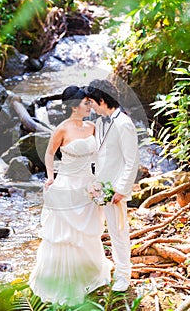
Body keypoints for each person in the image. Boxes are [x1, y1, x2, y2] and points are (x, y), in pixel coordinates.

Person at [29, 85, 112, 306]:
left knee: (88, 234)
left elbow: (101, 154)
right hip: (67, 185)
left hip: (87, 185)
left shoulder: (93, 126)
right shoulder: (62, 129)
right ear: (74, 106)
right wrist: (50, 177)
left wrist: (101, 179)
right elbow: (48, 153)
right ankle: (64, 282)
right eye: (86, 102)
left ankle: (89, 273)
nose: (89, 105)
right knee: (65, 236)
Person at [86, 79, 139, 292]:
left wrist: (120, 189)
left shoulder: (124, 123)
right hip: (99, 188)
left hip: (115, 191)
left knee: (119, 232)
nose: (90, 107)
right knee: (94, 229)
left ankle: (124, 275)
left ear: (101, 100)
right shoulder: (100, 123)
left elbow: (131, 160)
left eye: (92, 102)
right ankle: (98, 270)